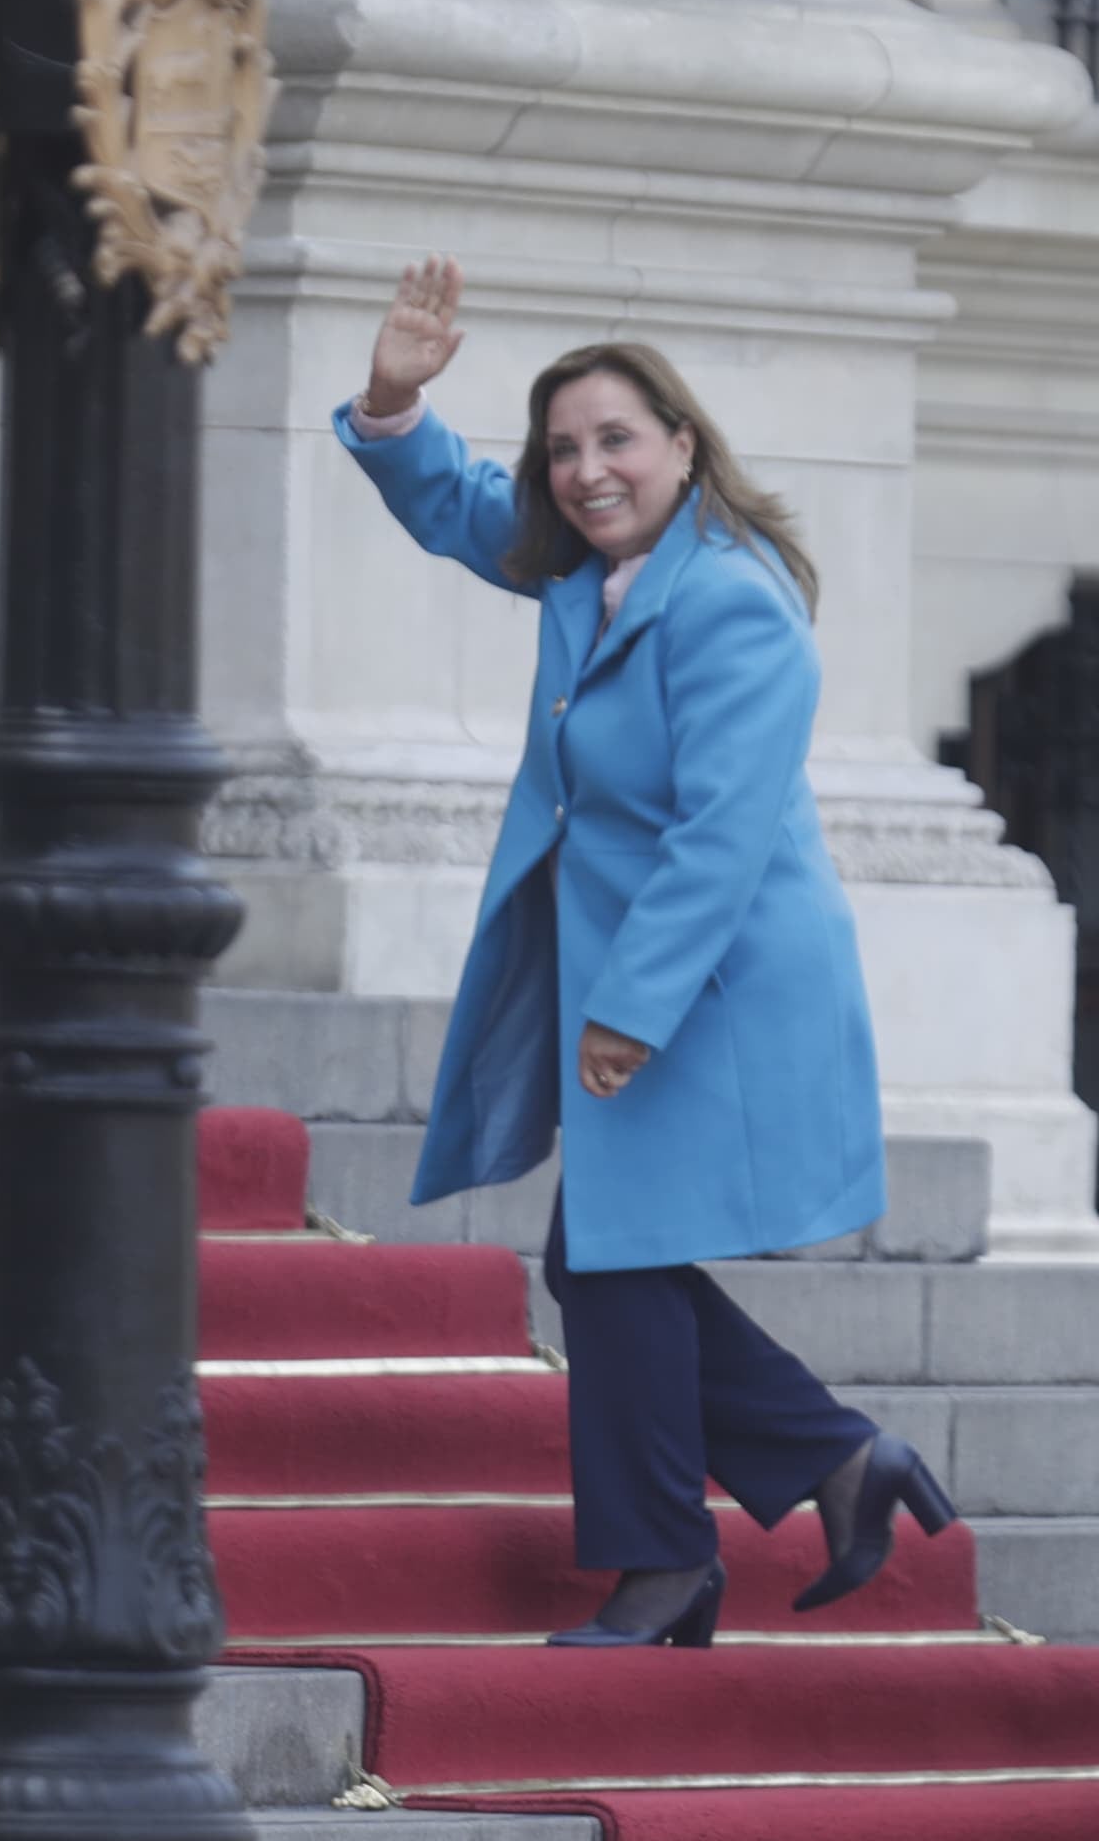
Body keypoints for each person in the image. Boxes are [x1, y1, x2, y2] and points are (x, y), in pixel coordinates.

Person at [334, 256, 952, 1647]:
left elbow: (723, 833)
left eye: (616, 438)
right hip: (645, 972)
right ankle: (828, 1465)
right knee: (608, 1257)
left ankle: (673, 1557)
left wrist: (632, 1009)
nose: (586, 469)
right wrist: (394, 395)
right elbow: (451, 502)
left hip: (709, 982)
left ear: (684, 445)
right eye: (562, 448)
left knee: (607, 1259)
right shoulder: (586, 577)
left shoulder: (732, 600)